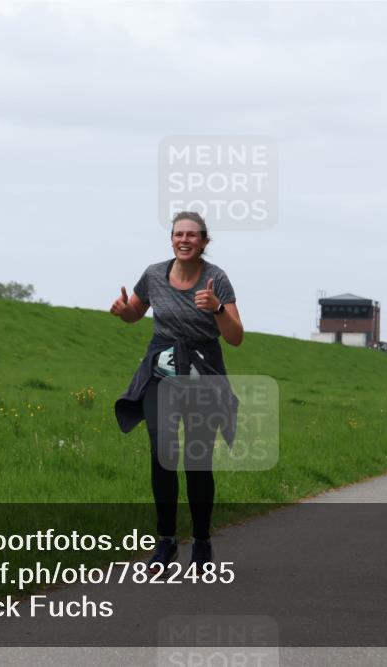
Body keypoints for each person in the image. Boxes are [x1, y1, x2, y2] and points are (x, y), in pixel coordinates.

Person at [112, 211, 244, 572]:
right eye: (178, 234)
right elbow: (135, 314)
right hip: (162, 373)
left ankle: (201, 542)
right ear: (172, 239)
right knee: (162, 451)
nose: (184, 240)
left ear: (204, 241)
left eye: (192, 235)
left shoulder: (217, 279)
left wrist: (217, 309)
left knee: (197, 461)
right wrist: (124, 311)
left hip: (203, 373)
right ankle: (166, 541)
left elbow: (235, 337)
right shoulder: (155, 274)